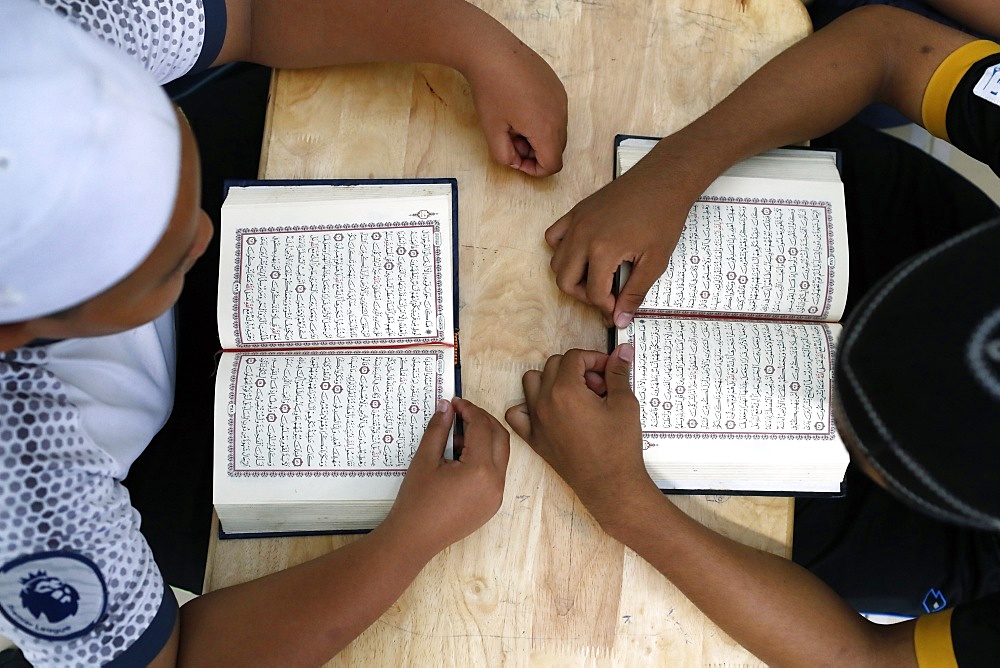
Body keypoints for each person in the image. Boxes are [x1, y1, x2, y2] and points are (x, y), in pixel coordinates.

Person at [0, 0, 564, 662]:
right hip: (148, 480)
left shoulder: (57, 36)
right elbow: (170, 658)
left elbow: (251, 13)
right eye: (168, 265)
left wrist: (478, 44)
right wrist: (405, 542)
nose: (209, 237)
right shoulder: (23, 491)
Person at [511, 5, 999, 664]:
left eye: (859, 431)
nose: (821, 382)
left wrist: (624, 503)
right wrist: (678, 170)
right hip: (883, 233)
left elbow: (868, 660)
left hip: (909, 534)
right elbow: (888, 46)